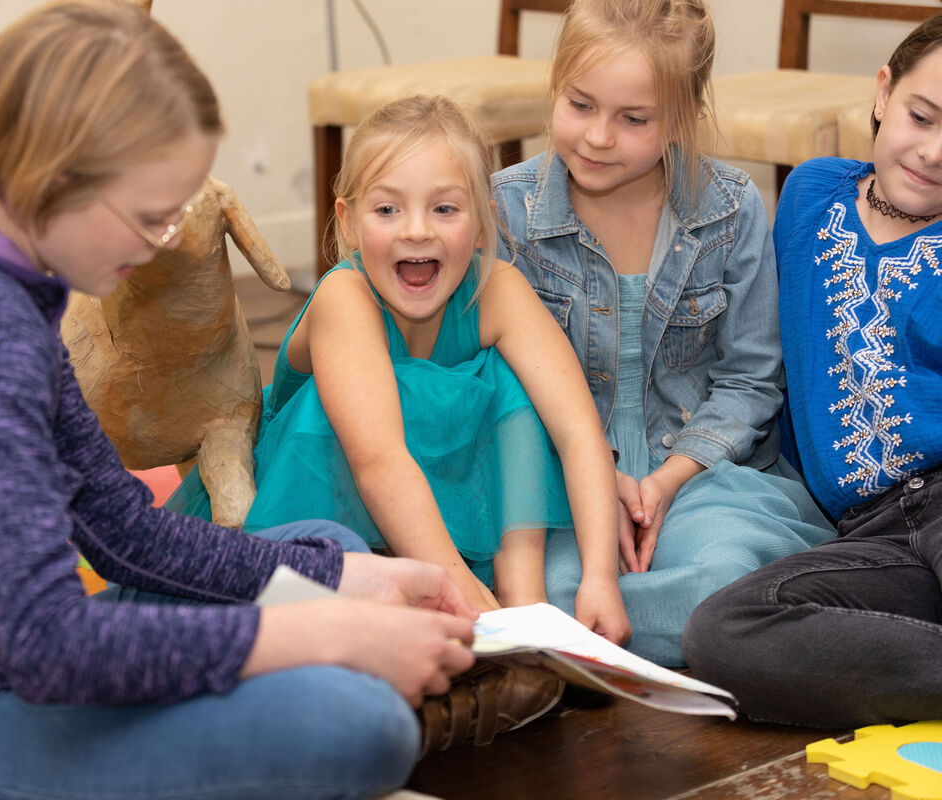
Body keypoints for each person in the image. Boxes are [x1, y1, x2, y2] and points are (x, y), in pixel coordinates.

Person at [0, 3, 481, 799]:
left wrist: (341, 588)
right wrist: (321, 631)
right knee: (355, 724)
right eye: (149, 215)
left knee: (328, 553)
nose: (166, 239)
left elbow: (123, 533)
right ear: (58, 179)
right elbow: (46, 641)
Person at [172, 94, 631, 639]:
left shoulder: (498, 288)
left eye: (445, 208)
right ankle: (456, 597)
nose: (417, 230)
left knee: (510, 380)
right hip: (318, 498)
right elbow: (379, 461)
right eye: (388, 209)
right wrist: (464, 599)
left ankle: (521, 588)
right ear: (348, 221)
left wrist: (601, 578)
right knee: (366, 397)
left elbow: (579, 431)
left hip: (430, 500)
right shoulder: (347, 295)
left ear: (482, 222)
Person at [492, 0, 836, 666]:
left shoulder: (733, 209)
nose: (597, 137)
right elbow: (504, 382)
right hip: (563, 474)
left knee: (725, 574)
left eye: (633, 119)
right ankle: (637, 633)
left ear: (679, 118)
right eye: (580, 104)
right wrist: (600, 474)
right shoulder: (507, 210)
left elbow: (751, 377)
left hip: (703, 476)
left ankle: (588, 644)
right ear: (554, 87)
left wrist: (667, 480)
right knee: (553, 586)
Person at [683, 14, 942, 727]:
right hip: (875, 533)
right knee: (722, 635)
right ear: (884, 92)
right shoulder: (810, 195)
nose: (934, 151)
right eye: (923, 116)